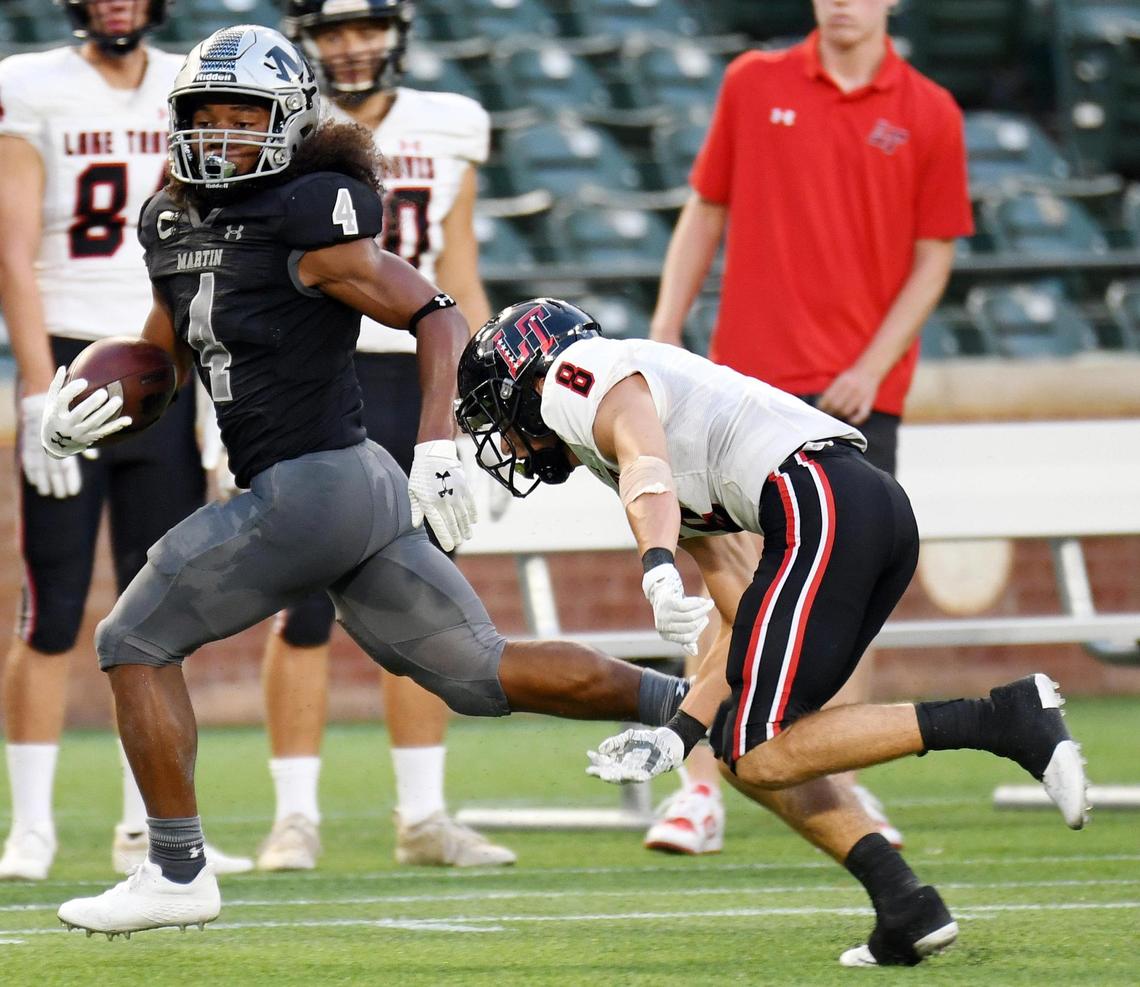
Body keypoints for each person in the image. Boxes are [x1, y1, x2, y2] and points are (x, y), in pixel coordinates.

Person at [48, 25, 689, 938]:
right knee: (478, 670)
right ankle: (704, 706)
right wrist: (89, 406)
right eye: (207, 113)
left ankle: (176, 868)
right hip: (352, 492)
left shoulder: (309, 213)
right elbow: (166, 356)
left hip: (313, 486)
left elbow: (438, 314)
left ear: (290, 122)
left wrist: (440, 444)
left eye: (245, 115)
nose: (222, 132)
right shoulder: (171, 220)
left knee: (132, 640)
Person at [454, 298, 1088, 967]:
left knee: (760, 747)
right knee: (742, 745)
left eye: (498, 413)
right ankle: (904, 904)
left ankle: (1003, 719)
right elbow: (739, 615)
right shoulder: (613, 449)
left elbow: (645, 459)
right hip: (853, 509)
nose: (505, 442)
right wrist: (680, 733)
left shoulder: (573, 375)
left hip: (819, 500)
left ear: (527, 377)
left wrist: (657, 563)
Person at [646, 0, 974, 854]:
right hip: (741, 395)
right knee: (726, 577)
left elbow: (935, 255)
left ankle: (841, 787)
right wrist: (666, 329)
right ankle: (697, 788)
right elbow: (705, 208)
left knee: (844, 594)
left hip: (855, 402)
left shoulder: (931, 110)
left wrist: (872, 364)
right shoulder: (753, 83)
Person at [248, 0, 512, 874]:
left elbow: (460, 267)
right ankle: (294, 817)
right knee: (301, 602)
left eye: (365, 27)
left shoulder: (452, 121)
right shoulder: (283, 127)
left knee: (422, 595)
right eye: (333, 32)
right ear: (308, 41)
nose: (352, 46)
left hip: (418, 374)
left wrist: (478, 401)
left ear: (396, 31)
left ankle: (424, 814)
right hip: (313, 372)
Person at [0, 0, 250, 880]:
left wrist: (214, 393)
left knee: (161, 615)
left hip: (164, 361)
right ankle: (30, 826)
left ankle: (151, 823)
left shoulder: (192, 84)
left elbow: (219, 240)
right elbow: (13, 247)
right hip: (73, 360)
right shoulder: (30, 83)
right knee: (52, 605)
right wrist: (39, 388)